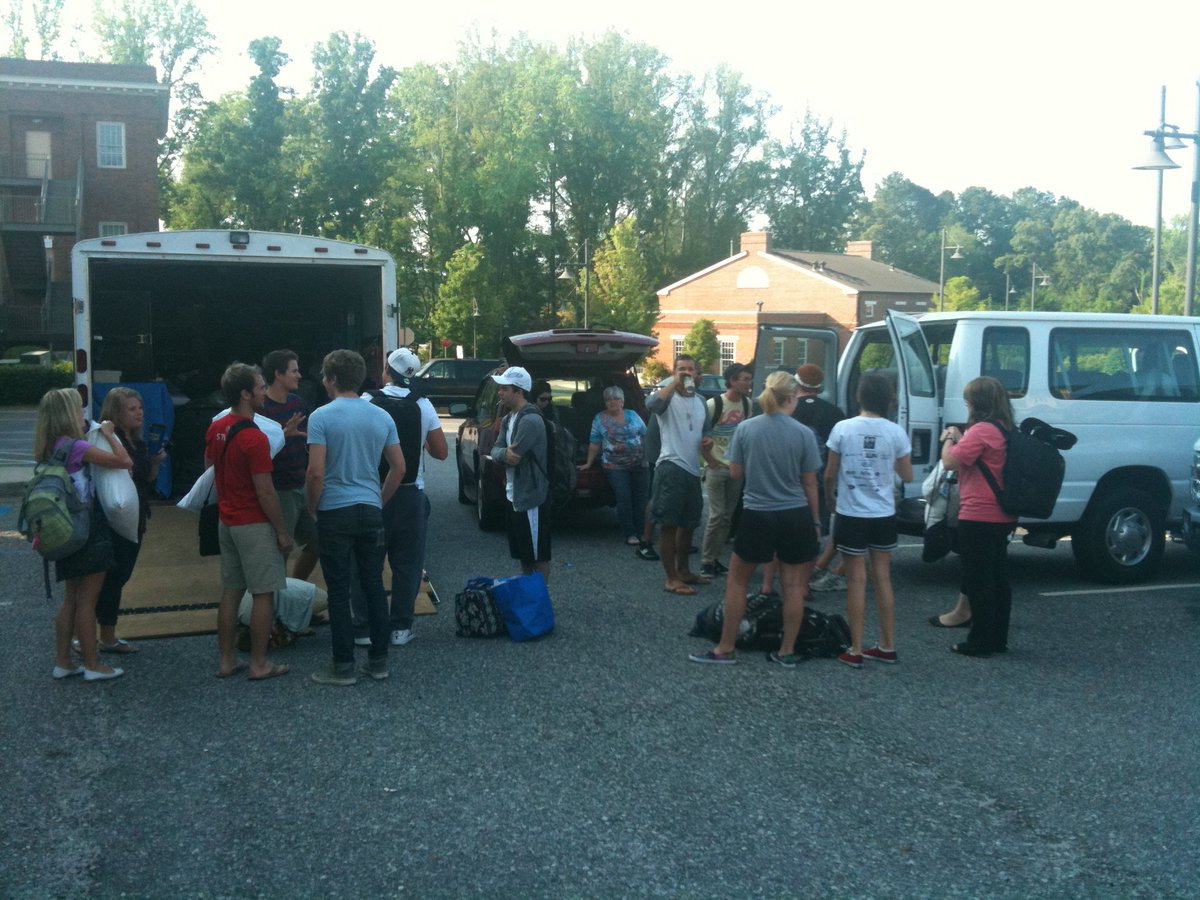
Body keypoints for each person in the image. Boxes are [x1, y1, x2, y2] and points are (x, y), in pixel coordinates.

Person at [688, 372, 821, 666]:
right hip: (795, 514)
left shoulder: (746, 429)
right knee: (794, 586)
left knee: (737, 582)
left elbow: (735, 473)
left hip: (758, 513)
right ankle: (786, 651)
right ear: (791, 397)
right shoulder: (803, 433)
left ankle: (725, 648)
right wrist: (815, 523)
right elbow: (810, 483)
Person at [307, 349, 405, 686]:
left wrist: (312, 507)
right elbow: (399, 467)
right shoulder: (381, 416)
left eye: (324, 376)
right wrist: (378, 499)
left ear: (332, 379)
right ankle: (378, 661)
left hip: (335, 510)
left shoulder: (320, 417)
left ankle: (343, 665)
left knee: (338, 589)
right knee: (374, 584)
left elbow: (316, 472)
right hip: (369, 509)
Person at [352, 347, 448, 647]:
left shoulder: (366, 401)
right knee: (407, 564)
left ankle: (365, 628)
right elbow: (442, 452)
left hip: (372, 493)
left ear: (385, 372)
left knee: (366, 562)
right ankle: (400, 628)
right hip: (410, 494)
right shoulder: (423, 405)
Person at [37, 388, 133, 682]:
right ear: (68, 414)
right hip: (86, 529)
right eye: (79, 409)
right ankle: (93, 664)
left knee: (71, 598)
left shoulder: (50, 445)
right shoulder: (77, 446)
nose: (83, 414)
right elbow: (124, 460)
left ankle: (63, 661)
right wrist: (107, 432)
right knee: (88, 600)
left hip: (63, 529)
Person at [206, 363, 294, 681]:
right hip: (253, 522)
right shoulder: (254, 438)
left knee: (230, 591)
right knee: (263, 593)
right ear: (245, 394)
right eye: (258, 387)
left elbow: (210, 468)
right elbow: (265, 490)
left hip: (226, 519)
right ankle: (259, 662)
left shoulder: (216, 428)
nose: (263, 393)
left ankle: (226, 660)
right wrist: (282, 531)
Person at [824, 373, 913, 668]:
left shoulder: (842, 429)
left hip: (852, 513)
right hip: (883, 512)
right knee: (883, 578)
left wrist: (829, 497)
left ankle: (856, 648)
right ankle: (887, 646)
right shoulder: (896, 432)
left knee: (856, 581)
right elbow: (908, 475)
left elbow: (829, 473)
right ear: (889, 400)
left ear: (859, 396)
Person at [940, 376, 1018, 657]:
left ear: (977, 402)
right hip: (1001, 513)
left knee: (979, 581)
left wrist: (949, 438)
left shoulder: (981, 429)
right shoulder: (1004, 428)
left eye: (968, 400)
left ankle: (981, 641)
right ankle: (998, 638)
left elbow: (950, 461)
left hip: (978, 513)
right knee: (997, 579)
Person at [94, 387, 165, 655]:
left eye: (140, 408)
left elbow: (146, 480)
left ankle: (100, 633)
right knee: (113, 578)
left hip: (135, 517)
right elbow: (123, 468)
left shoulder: (138, 442)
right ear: (116, 413)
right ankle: (104, 636)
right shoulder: (114, 442)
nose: (139, 413)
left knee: (119, 576)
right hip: (118, 519)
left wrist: (156, 463)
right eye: (131, 409)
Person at [645, 354, 711, 596]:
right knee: (669, 525)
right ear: (674, 372)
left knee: (689, 524)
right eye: (680, 369)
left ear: (697, 374)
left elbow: (705, 431)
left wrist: (708, 441)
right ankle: (670, 577)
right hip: (671, 466)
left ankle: (684, 571)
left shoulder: (702, 401)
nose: (685, 373)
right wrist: (674, 382)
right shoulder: (667, 397)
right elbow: (650, 406)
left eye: (690, 369)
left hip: (694, 469)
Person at [490, 366, 552, 583]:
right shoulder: (509, 419)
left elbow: (511, 456)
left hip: (530, 497)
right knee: (524, 553)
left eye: (505, 388)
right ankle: (530, 597)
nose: (500, 393)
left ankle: (539, 602)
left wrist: (502, 454)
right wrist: (502, 453)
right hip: (513, 495)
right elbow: (496, 450)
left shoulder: (530, 420)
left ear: (519, 391)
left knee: (537, 555)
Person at [261, 349, 320, 580]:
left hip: (300, 485)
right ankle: (276, 607)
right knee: (281, 550)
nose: (299, 375)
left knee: (318, 544)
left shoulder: (297, 402)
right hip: (279, 490)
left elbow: (308, 437)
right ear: (278, 374)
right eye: (294, 371)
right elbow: (257, 454)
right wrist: (283, 435)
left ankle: (293, 593)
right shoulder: (261, 408)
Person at [792, 363, 847, 591]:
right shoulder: (835, 412)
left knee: (791, 527)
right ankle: (808, 573)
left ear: (797, 383)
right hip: (821, 476)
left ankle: (788, 573)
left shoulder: (790, 407)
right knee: (815, 529)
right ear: (820, 385)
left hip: (792, 478)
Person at [699, 363, 754, 577]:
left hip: (734, 468)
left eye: (749, 379)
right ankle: (705, 561)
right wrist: (709, 461)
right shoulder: (714, 405)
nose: (748, 383)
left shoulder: (747, 405)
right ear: (732, 381)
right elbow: (699, 436)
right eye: (745, 379)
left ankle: (715, 559)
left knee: (727, 518)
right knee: (716, 515)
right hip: (715, 467)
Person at [578, 385, 648, 546]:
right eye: (608, 399)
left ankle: (642, 531)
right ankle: (630, 533)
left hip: (639, 464)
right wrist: (588, 463)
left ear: (622, 401)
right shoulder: (599, 418)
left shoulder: (633, 415)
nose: (612, 402)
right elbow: (595, 443)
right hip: (615, 466)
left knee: (641, 498)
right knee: (623, 498)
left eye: (616, 398)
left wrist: (648, 458)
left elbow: (645, 436)